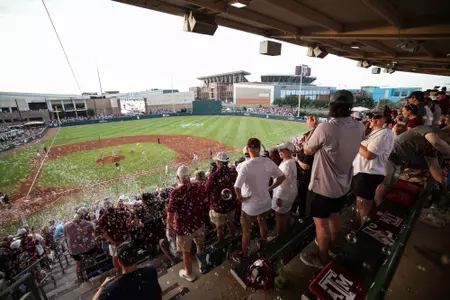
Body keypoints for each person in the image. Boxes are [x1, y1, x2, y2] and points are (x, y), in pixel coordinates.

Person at [300, 90, 365, 268]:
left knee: (321, 225)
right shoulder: (360, 127)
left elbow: (307, 150)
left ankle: (322, 258)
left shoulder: (325, 128)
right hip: (343, 186)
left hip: (322, 188)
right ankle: (336, 248)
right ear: (350, 107)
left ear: (332, 107)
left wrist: (313, 128)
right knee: (334, 217)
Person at [232, 138, 286, 262]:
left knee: (246, 232)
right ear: (259, 148)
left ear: (248, 149)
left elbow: (236, 187)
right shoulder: (267, 161)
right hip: (266, 203)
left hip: (250, 207)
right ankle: (262, 243)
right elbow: (282, 177)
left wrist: (240, 197)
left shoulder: (245, 166)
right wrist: (270, 188)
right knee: (263, 223)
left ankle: (245, 254)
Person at [375, 125, 450, 203]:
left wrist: (443, 184)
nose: (447, 144)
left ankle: (381, 208)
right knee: (384, 185)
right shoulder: (431, 129)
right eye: (448, 142)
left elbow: (434, 166)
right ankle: (377, 208)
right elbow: (436, 142)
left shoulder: (431, 147)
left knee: (389, 186)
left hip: (396, 162)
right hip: (389, 155)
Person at [352, 106, 395, 223]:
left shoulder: (384, 133)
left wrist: (354, 140)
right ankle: (358, 225)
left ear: (386, 118)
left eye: (376, 117)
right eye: (370, 116)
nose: (372, 119)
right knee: (360, 205)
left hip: (369, 174)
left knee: (363, 207)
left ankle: (362, 230)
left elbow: (369, 155)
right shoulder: (376, 132)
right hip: (363, 172)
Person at [167, 166, 208, 282]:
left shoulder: (175, 193)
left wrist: (169, 227)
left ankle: (189, 274)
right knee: (200, 246)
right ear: (189, 176)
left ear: (178, 178)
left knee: (186, 252)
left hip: (184, 229)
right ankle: (202, 266)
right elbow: (204, 200)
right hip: (199, 223)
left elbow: (170, 212)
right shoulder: (198, 186)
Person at [93, 242, 162, 300]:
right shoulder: (151, 271)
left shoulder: (112, 288)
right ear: (136, 257)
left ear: (119, 262)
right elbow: (158, 294)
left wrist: (102, 286)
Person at [205, 152, 238, 241]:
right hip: (231, 205)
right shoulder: (233, 172)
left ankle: (222, 245)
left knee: (220, 229)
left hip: (218, 208)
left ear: (219, 163)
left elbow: (206, 189)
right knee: (230, 224)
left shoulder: (214, 176)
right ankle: (235, 240)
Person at [98, 198, 131, 277]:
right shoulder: (121, 211)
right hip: (125, 238)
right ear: (112, 204)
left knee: (116, 257)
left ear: (104, 207)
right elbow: (129, 219)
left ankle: (119, 274)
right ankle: (130, 271)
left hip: (115, 243)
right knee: (128, 256)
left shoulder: (102, 219)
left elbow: (104, 234)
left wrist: (113, 242)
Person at [64, 208, 97, 282]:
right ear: (85, 215)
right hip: (88, 249)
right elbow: (94, 231)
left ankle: (80, 276)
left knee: (78, 261)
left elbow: (65, 236)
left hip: (74, 251)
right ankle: (93, 262)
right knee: (95, 247)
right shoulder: (87, 223)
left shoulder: (66, 225)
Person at [272, 142, 298, 233]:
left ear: (289, 151)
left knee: (279, 216)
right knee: (286, 213)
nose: (279, 151)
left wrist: (278, 196)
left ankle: (281, 237)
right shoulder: (290, 160)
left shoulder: (287, 164)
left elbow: (282, 181)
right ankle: (287, 231)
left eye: (282, 149)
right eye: (279, 149)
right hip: (288, 193)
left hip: (283, 195)